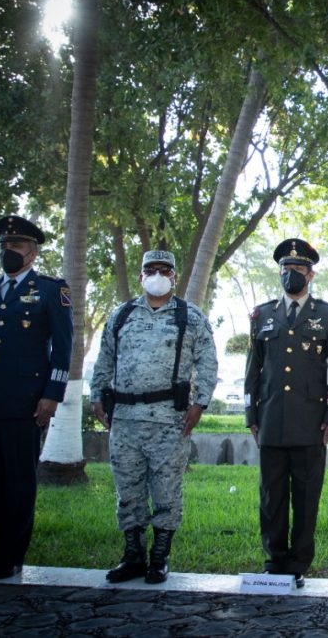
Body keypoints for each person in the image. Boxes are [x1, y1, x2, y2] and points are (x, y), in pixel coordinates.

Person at [91, 250, 218, 584]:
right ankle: (132, 555)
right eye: (151, 269)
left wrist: (200, 402)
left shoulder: (190, 317)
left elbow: (207, 362)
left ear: (174, 277)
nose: (158, 275)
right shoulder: (121, 315)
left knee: (166, 492)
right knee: (128, 491)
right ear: (141, 274)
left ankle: (159, 557)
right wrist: (96, 395)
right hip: (126, 419)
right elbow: (105, 358)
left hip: (169, 420)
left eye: (165, 270)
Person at [0, 215, 73, 581]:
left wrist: (52, 395)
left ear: (33, 253)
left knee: (18, 482)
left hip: (25, 401)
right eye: (5, 245)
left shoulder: (50, 290)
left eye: (17, 245)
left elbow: (62, 347)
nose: (9, 250)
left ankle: (10, 556)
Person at [245, 238, 328, 588]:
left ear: (311, 274)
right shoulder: (262, 315)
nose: (291, 275)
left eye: (298, 270)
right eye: (285, 270)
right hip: (271, 419)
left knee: (306, 496)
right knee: (271, 496)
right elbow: (252, 370)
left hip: (311, 423)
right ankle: (275, 558)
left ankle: (300, 560)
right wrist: (251, 416)